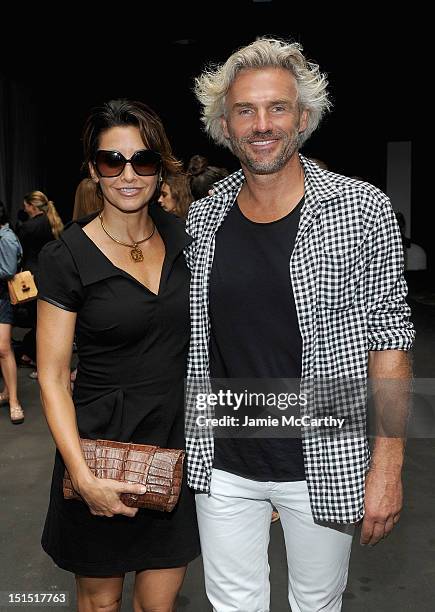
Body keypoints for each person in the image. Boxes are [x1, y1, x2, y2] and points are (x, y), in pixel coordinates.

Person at [184, 38, 415, 611]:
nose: (262, 124)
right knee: (233, 604)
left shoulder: (363, 210)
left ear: (304, 117)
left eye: (277, 108)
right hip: (224, 462)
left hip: (322, 459)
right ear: (225, 125)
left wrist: (387, 467)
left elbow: (391, 344)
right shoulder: (204, 216)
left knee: (317, 602)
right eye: (245, 110)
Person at [37, 99, 200, 611]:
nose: (128, 175)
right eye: (113, 161)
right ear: (94, 168)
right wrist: (80, 475)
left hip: (176, 448)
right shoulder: (66, 256)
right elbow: (52, 375)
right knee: (101, 603)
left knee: (159, 604)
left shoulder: (184, 241)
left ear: (159, 168)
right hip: (99, 450)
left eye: (143, 161)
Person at [17, 190, 64, 375]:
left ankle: (39, 363)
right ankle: (32, 355)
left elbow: (20, 255)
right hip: (51, 275)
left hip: (31, 278)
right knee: (45, 321)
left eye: (26, 205)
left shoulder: (27, 227)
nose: (24, 208)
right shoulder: (54, 222)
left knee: (37, 322)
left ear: (32, 206)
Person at [0, 201, 24, 424]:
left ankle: (15, 400)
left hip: (2, 300)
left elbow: (8, 270)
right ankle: (7, 392)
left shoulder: (5, 237)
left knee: (3, 348)